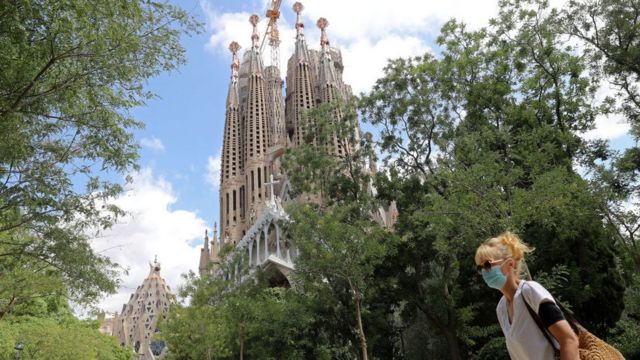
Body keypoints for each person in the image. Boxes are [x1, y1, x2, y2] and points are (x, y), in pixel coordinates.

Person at [475, 231, 579, 360]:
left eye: (487, 265)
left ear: (510, 264)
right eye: (480, 268)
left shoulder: (530, 292)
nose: (484, 271)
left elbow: (569, 340)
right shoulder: (501, 309)